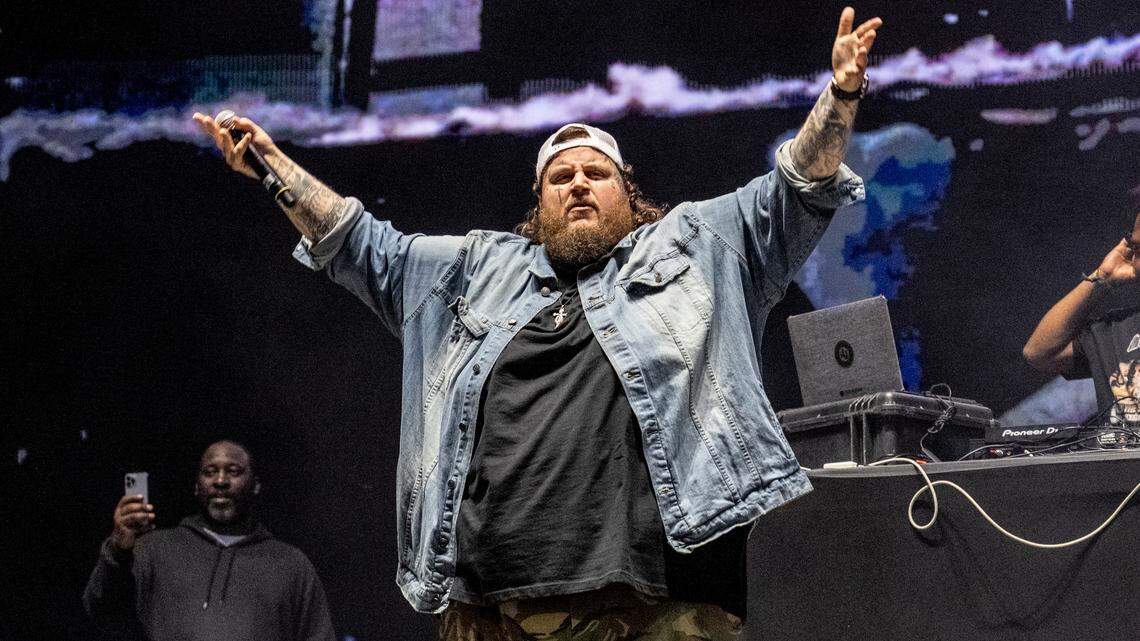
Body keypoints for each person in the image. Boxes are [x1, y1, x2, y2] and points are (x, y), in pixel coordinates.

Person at [193, 8, 881, 638]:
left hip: (662, 606)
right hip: (489, 612)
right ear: (539, 202)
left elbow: (795, 188)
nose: (578, 182)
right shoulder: (474, 270)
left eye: (595, 173)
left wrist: (840, 95)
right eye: (561, 176)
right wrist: (272, 166)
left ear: (627, 192)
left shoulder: (698, 243)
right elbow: (358, 243)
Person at [82, 440, 336, 641]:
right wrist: (117, 550)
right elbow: (100, 611)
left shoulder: (290, 564)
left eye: (233, 471)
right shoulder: (155, 549)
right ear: (196, 486)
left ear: (256, 485)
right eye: (210, 472)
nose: (221, 481)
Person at [1024, 210, 1140, 426]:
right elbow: (1038, 353)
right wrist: (1102, 278)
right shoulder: (1114, 330)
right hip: (1121, 460)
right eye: (1137, 248)